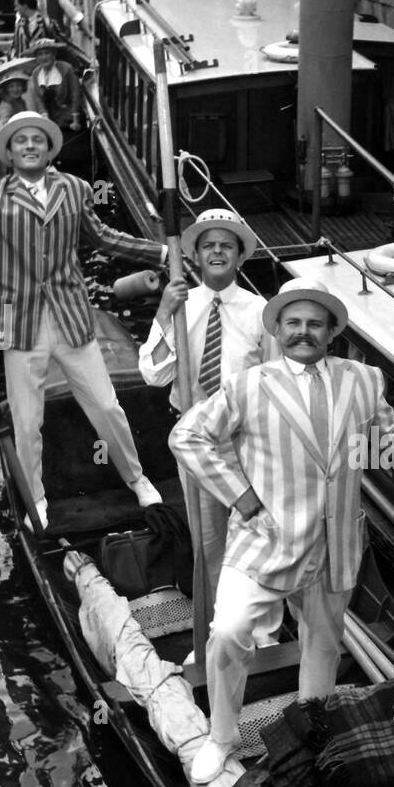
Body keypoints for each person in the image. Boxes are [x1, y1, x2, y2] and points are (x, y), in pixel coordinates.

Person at [172, 273, 394, 784]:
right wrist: (241, 498)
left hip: (337, 542)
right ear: (279, 329)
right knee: (228, 632)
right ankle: (222, 737)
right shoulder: (246, 385)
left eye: (314, 324)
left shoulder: (363, 379)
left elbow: (388, 437)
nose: (303, 332)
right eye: (293, 323)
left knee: (323, 645)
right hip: (265, 540)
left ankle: (311, 733)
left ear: (331, 331)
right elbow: (188, 435)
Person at [0, 111, 169, 531]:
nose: (28, 146)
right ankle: (36, 497)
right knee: (26, 421)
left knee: (107, 407)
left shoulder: (75, 189)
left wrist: (162, 254)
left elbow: (104, 239)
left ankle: (137, 478)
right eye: (20, 140)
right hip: (16, 322)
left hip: (71, 318)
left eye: (36, 140)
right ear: (8, 151)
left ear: (47, 149)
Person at [139, 208, 281, 643]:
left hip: (246, 443)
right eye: (208, 245)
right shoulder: (180, 306)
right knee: (209, 544)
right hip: (195, 441)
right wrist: (164, 314)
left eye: (227, 245)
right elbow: (153, 374)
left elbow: (275, 380)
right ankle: (222, 630)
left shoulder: (261, 311)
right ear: (196, 256)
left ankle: (266, 633)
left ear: (239, 257)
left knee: (258, 536)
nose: (217, 252)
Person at [25, 40, 82, 131]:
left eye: (47, 53)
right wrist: (44, 115)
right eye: (40, 54)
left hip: (68, 119)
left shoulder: (66, 68)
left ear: (54, 54)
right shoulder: (36, 72)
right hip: (49, 119)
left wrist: (75, 120)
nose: (44, 57)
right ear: (36, 57)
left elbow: (75, 94)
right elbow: (38, 98)